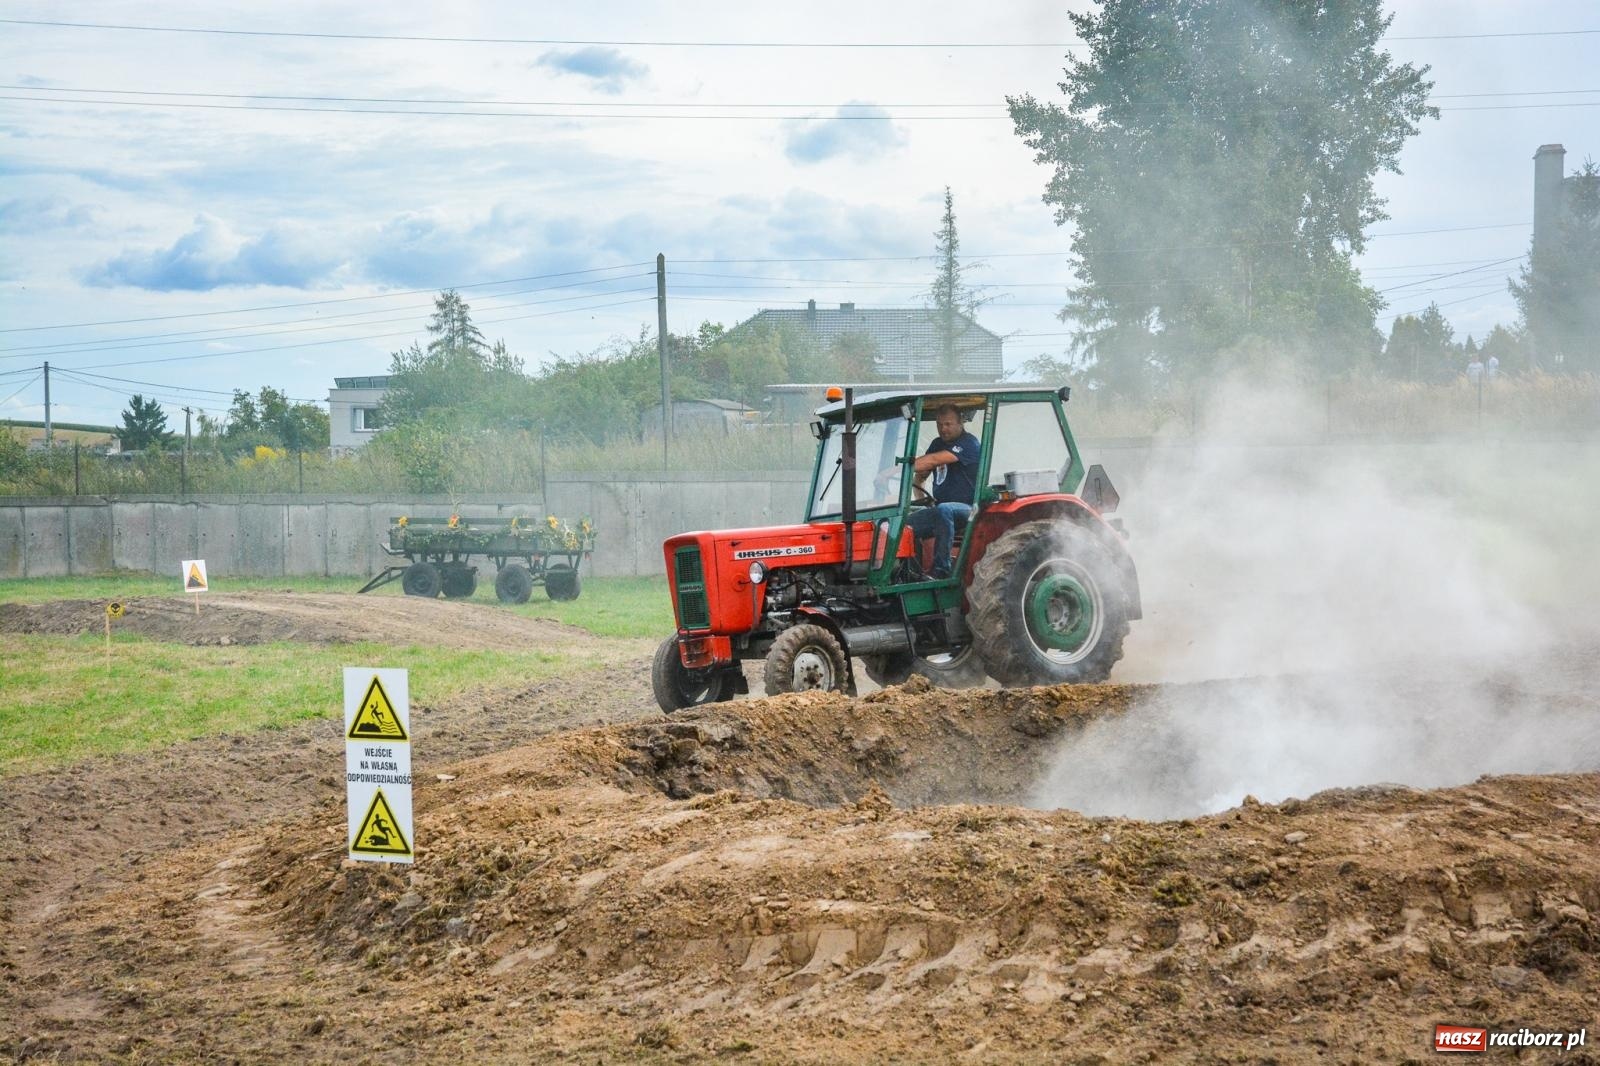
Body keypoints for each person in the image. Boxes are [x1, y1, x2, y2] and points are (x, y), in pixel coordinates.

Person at [905, 404, 980, 579]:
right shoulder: (937, 444)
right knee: (905, 524)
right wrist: (923, 501)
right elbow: (920, 476)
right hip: (942, 509)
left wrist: (895, 469)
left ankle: (941, 570)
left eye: (948, 424)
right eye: (939, 424)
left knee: (944, 510)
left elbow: (932, 460)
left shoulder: (969, 443)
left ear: (960, 422)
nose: (943, 429)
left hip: (971, 509)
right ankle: (912, 574)